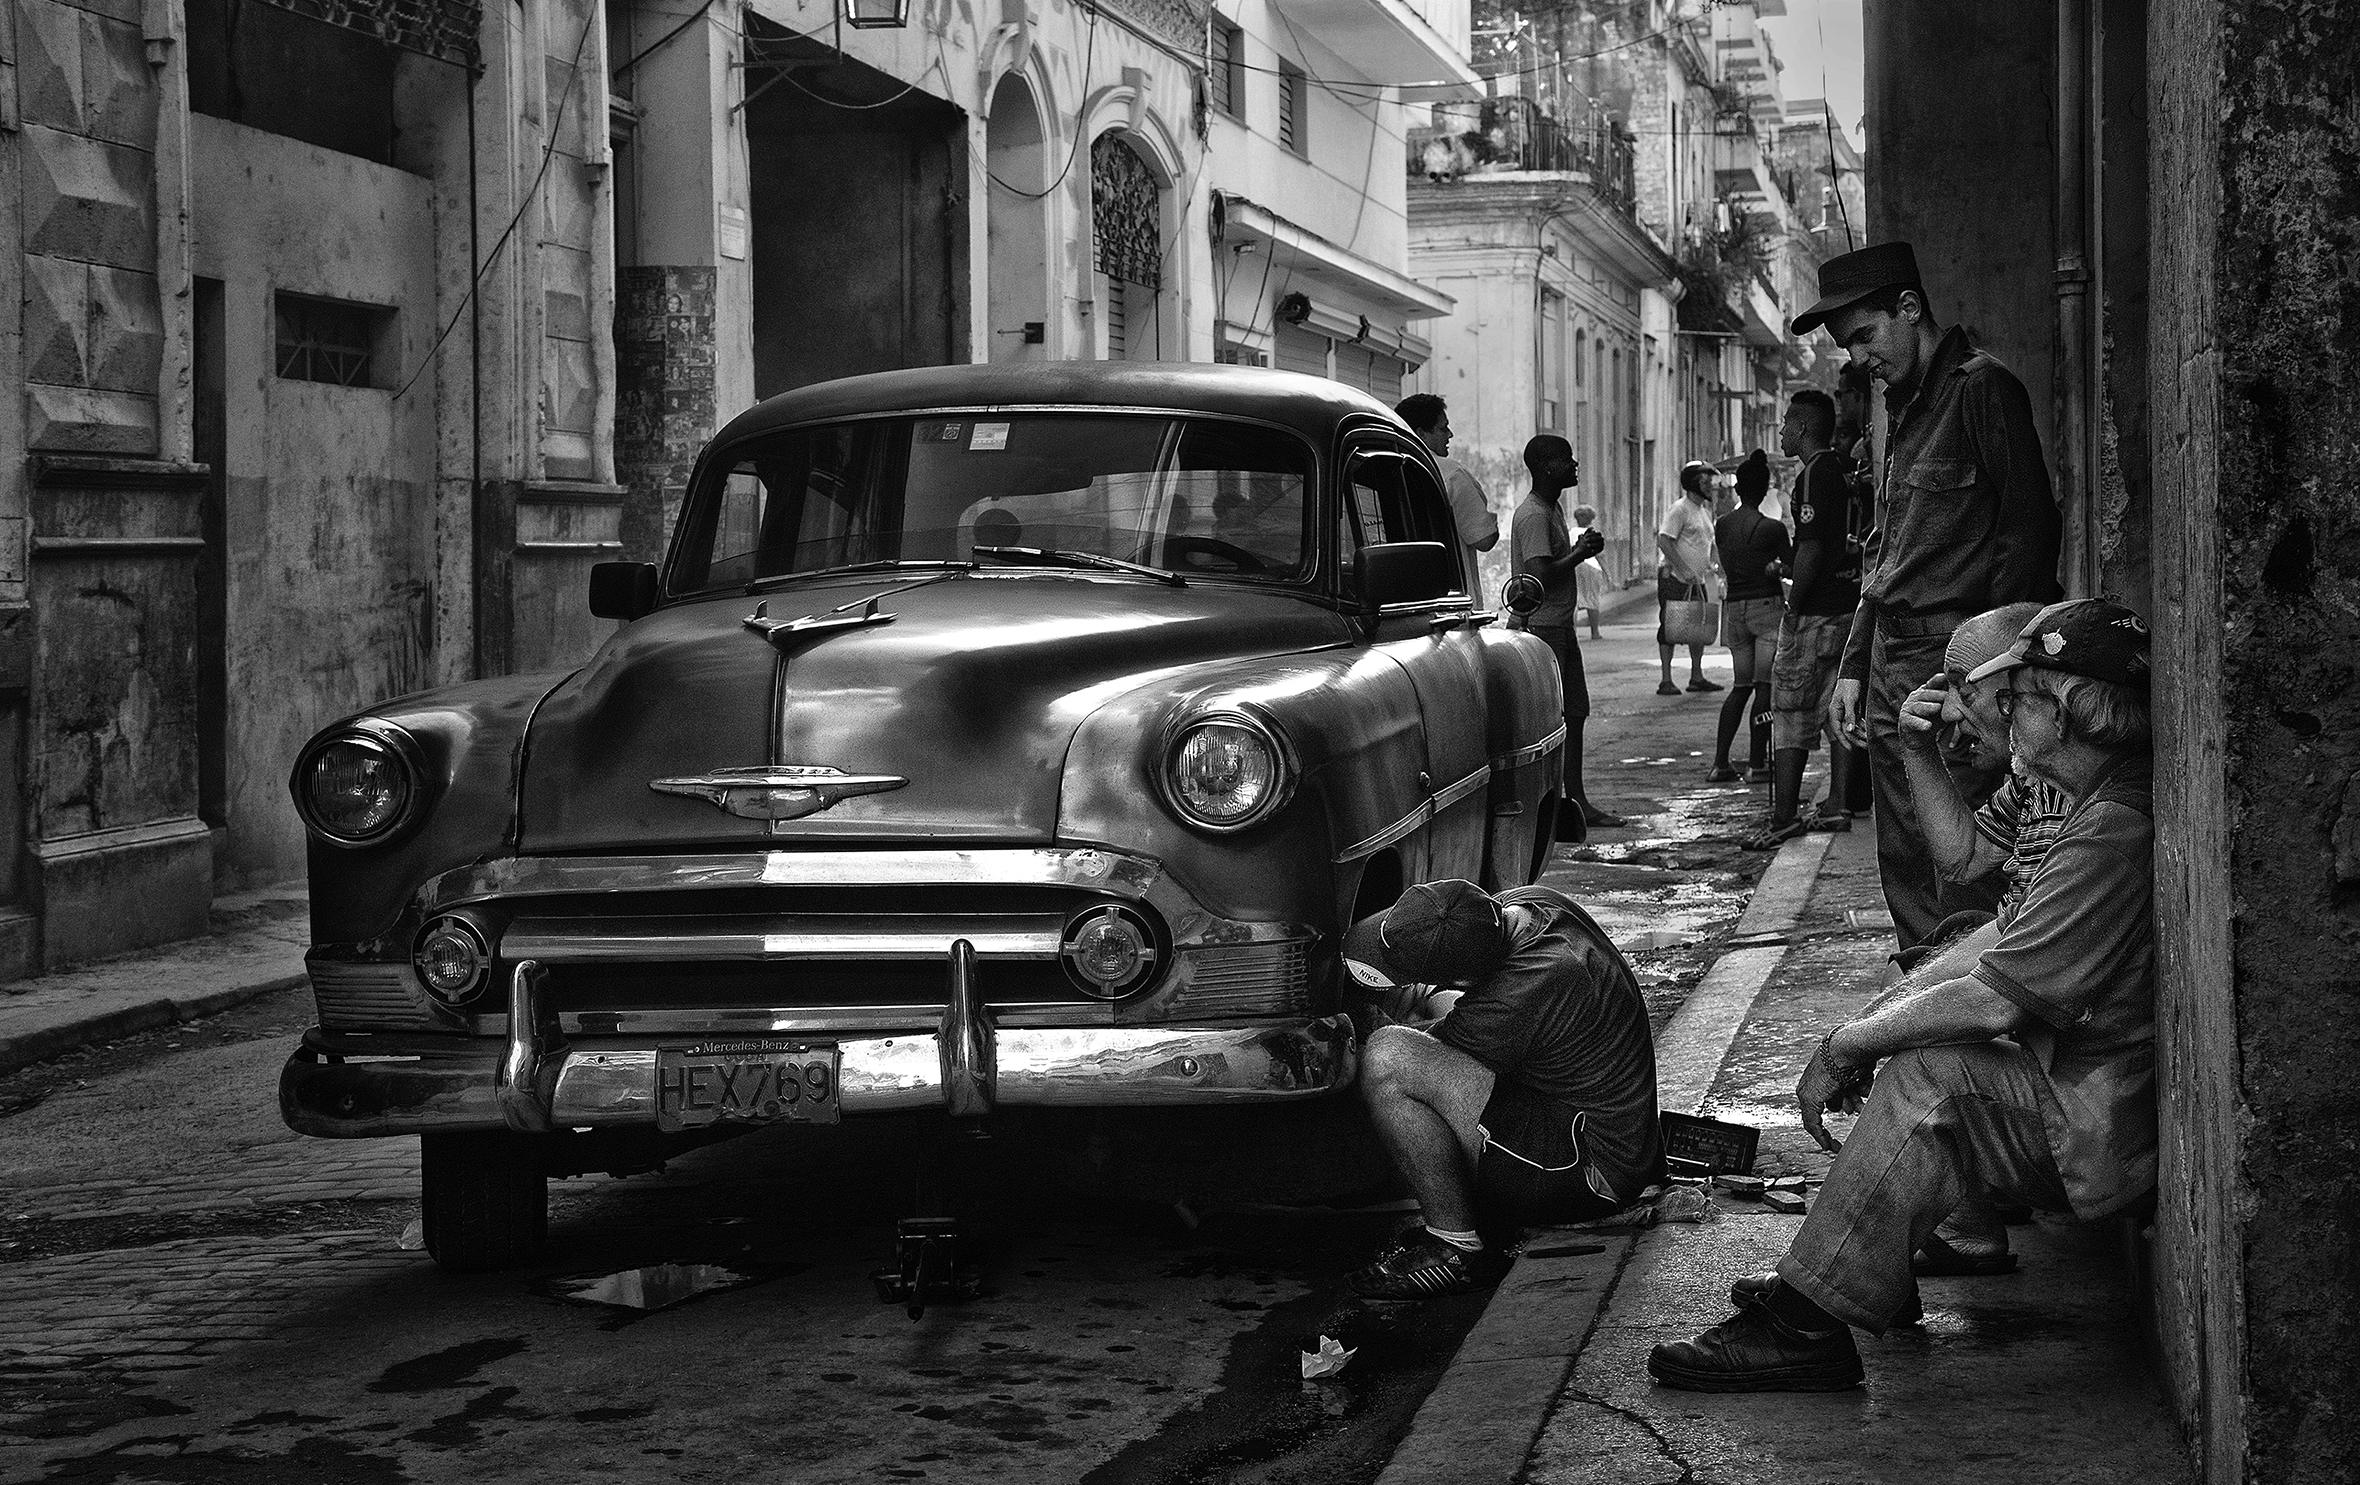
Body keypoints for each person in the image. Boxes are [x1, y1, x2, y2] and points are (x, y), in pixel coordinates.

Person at [1648, 599, 2154, 1391]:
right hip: (2084, 1090)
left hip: (2101, 1122)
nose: (2001, 715)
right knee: (1922, 1047)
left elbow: (1995, 998)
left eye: (2019, 697)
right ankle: (1837, 1279)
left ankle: (1807, 1321)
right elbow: (1987, 916)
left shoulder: (2109, 829)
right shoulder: (2096, 802)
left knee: (1930, 1074)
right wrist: (1873, 1028)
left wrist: (1848, 1042)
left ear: (2066, 710)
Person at [1808, 241, 2063, 951]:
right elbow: (1886, 553)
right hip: (1893, 663)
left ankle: (1977, 1031)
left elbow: (2029, 537)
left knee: (1966, 859)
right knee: (1906, 862)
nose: (1858, 358)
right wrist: (1854, 666)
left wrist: (1989, 678)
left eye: (1864, 335)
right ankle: (1923, 1015)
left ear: (1910, 309)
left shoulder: (1982, 389)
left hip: (1954, 664)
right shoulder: (1900, 410)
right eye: (1846, 346)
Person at [1341, 879, 1666, 1299]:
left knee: (1386, 1058)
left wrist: (1374, 1023)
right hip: (1573, 1108)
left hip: (1593, 1169)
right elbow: (1457, 1011)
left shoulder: (1531, 983)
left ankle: (1456, 1248)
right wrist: (1423, 993)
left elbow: (1420, 1054)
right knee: (1426, 1004)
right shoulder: (1532, 903)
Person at [1748, 391, 1857, 848]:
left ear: (1805, 428)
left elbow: (1812, 545)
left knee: (1790, 708)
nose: (1782, 431)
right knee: (1839, 709)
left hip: (1816, 611)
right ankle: (1838, 804)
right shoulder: (1838, 471)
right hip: (1844, 605)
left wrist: (1795, 605)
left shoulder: (1814, 473)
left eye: (1787, 423)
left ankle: (1784, 816)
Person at [1510, 435, 1623, 832]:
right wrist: (1580, 553)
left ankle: (1572, 801)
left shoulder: (1551, 508)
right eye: (1565, 459)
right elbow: (1538, 574)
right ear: (1545, 466)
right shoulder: (1534, 515)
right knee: (1555, 720)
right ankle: (1554, 806)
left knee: (1573, 713)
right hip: (1543, 628)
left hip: (1558, 624)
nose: (1574, 464)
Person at [1709, 450, 1789, 785]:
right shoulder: (1772, 528)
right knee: (1764, 687)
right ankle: (1758, 763)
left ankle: (1720, 763)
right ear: (1766, 489)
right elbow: (1793, 565)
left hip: (1735, 609)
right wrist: (1776, 568)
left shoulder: (1723, 525)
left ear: (1739, 489)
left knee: (1740, 687)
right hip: (1765, 607)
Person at [1395, 394, 1499, 586]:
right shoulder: (1450, 474)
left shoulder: (1382, 469)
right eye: (1443, 428)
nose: (1449, 434)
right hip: (1452, 600)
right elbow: (1484, 539)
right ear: (1421, 434)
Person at [1655, 462, 1722, 697]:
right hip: (1676, 578)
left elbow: (1709, 543)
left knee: (1698, 626)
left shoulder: (1702, 511)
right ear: (1694, 483)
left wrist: (1715, 566)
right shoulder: (1679, 509)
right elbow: (1665, 540)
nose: (1710, 486)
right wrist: (1682, 569)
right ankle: (1666, 679)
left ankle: (1696, 675)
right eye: (1705, 481)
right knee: (1669, 626)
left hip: (1698, 579)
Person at [1569, 504, 1609, 640]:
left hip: (1575, 565)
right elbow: (1600, 555)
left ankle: (1573, 633)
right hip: (1592, 568)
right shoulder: (1593, 532)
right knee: (1593, 600)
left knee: (1575, 600)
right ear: (1591, 518)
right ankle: (1595, 632)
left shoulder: (1571, 532)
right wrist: (1607, 573)